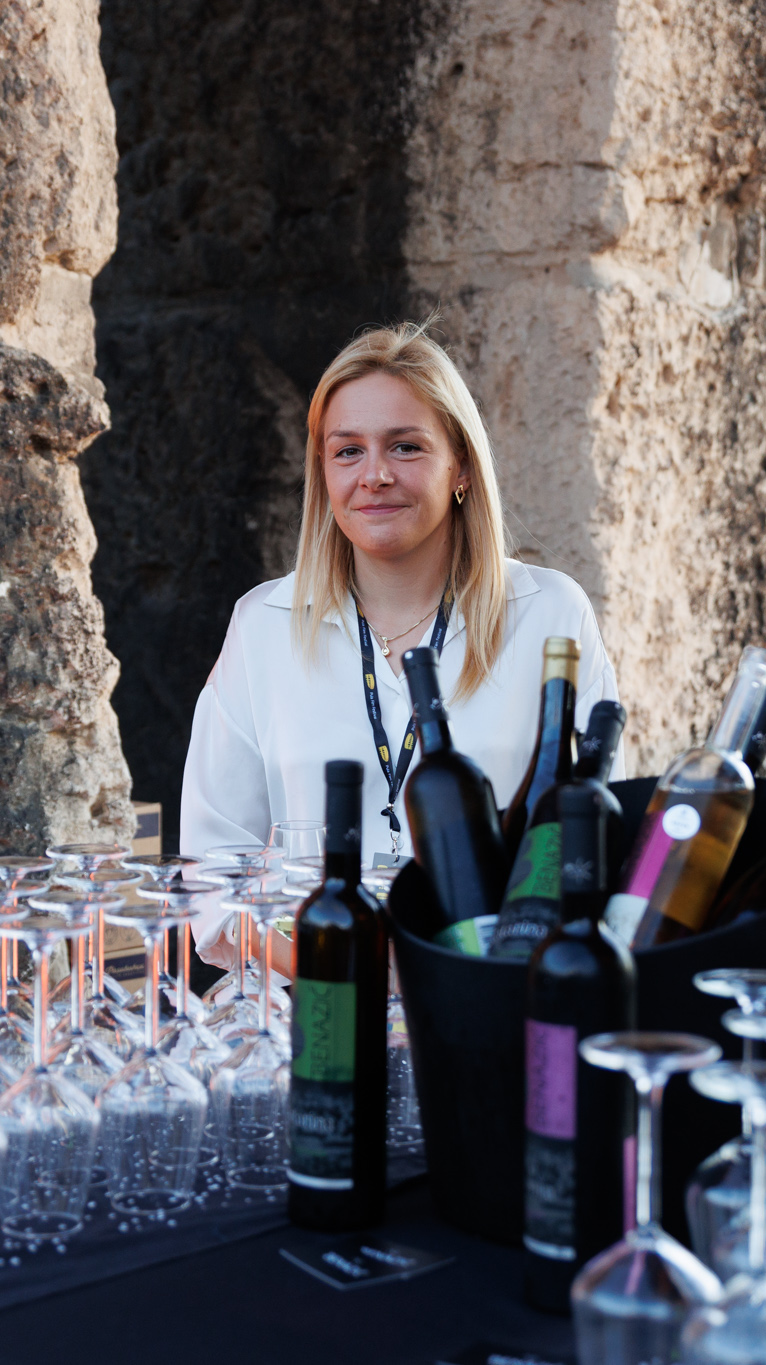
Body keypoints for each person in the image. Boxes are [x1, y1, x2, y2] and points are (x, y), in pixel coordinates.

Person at [180, 321, 620, 964]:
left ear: (460, 464)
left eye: (406, 447)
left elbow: (593, 840)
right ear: (323, 473)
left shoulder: (550, 614)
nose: (375, 475)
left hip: (492, 994)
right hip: (309, 999)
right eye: (347, 451)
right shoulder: (263, 623)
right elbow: (215, 867)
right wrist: (333, 971)